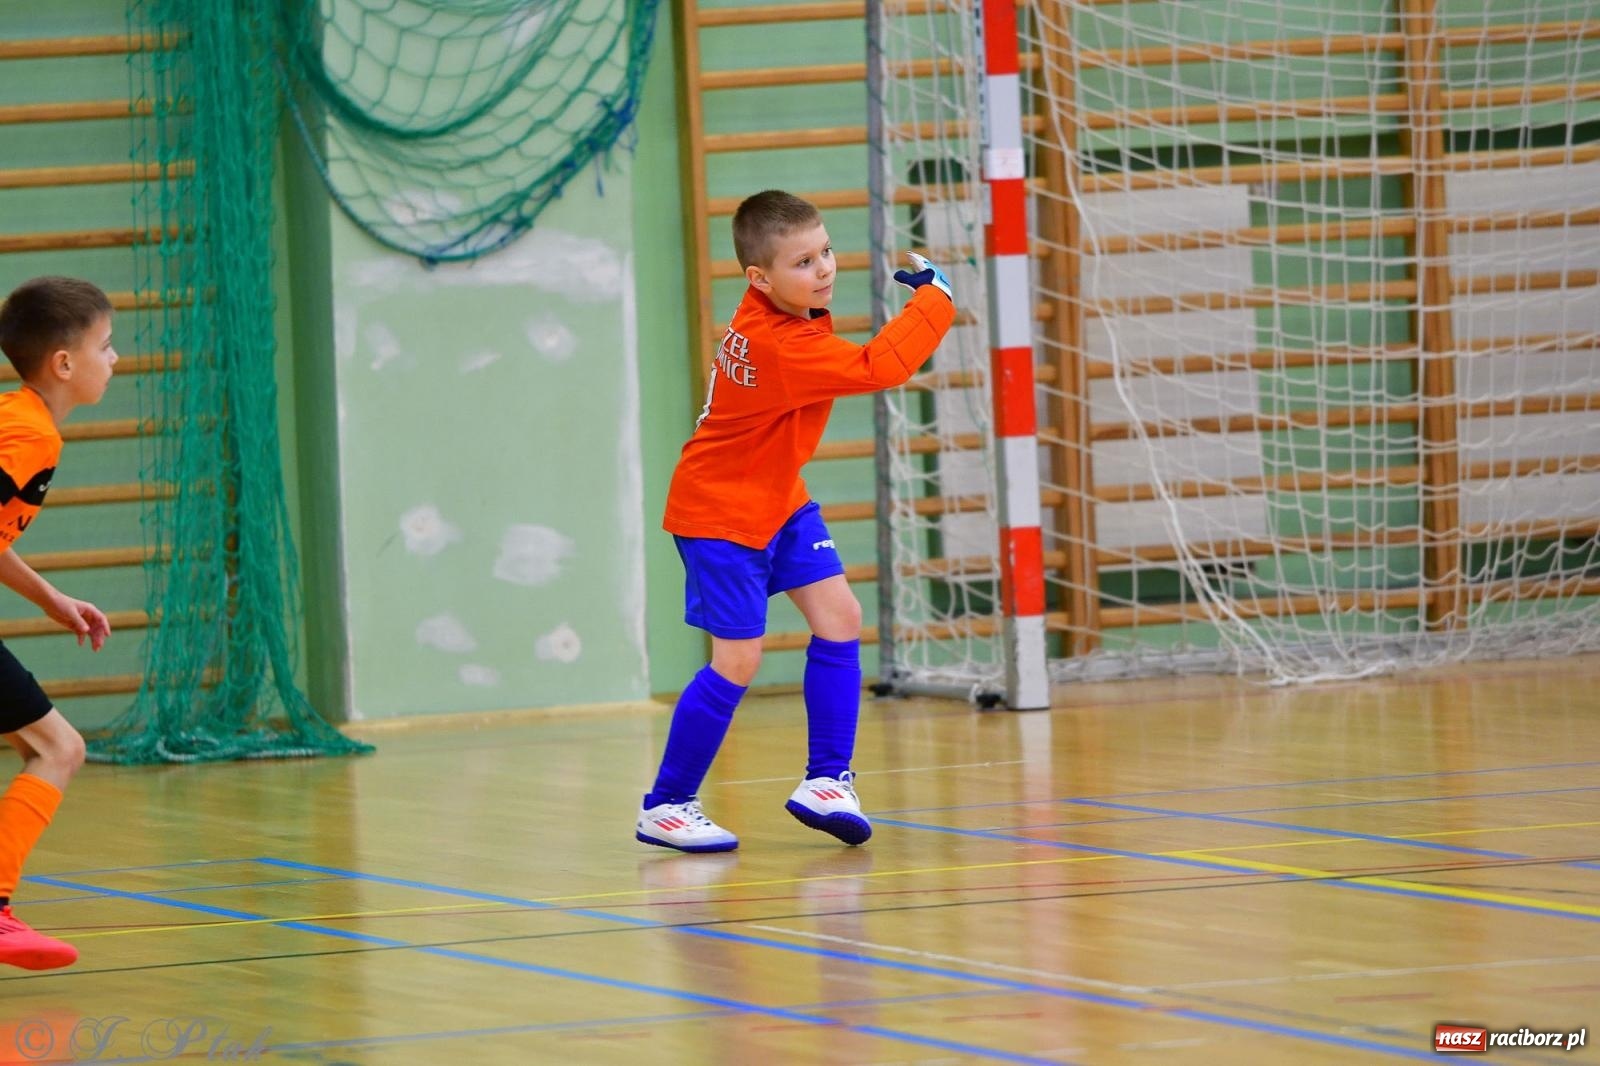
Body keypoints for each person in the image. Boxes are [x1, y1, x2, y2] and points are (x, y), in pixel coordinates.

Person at [637, 190, 955, 853]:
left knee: (839, 618)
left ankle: (827, 781)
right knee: (739, 661)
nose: (825, 271)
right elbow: (881, 366)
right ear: (760, 278)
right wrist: (936, 302)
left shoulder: (779, 319)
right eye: (804, 262)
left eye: (826, 253)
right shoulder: (779, 344)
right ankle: (666, 804)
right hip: (720, 515)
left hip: (779, 499)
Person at [0, 276, 117, 968]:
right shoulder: (27, 434)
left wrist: (49, 599)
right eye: (106, 346)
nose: (116, 359)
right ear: (64, 364)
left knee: (35, 748)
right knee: (58, 749)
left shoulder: (20, 421)